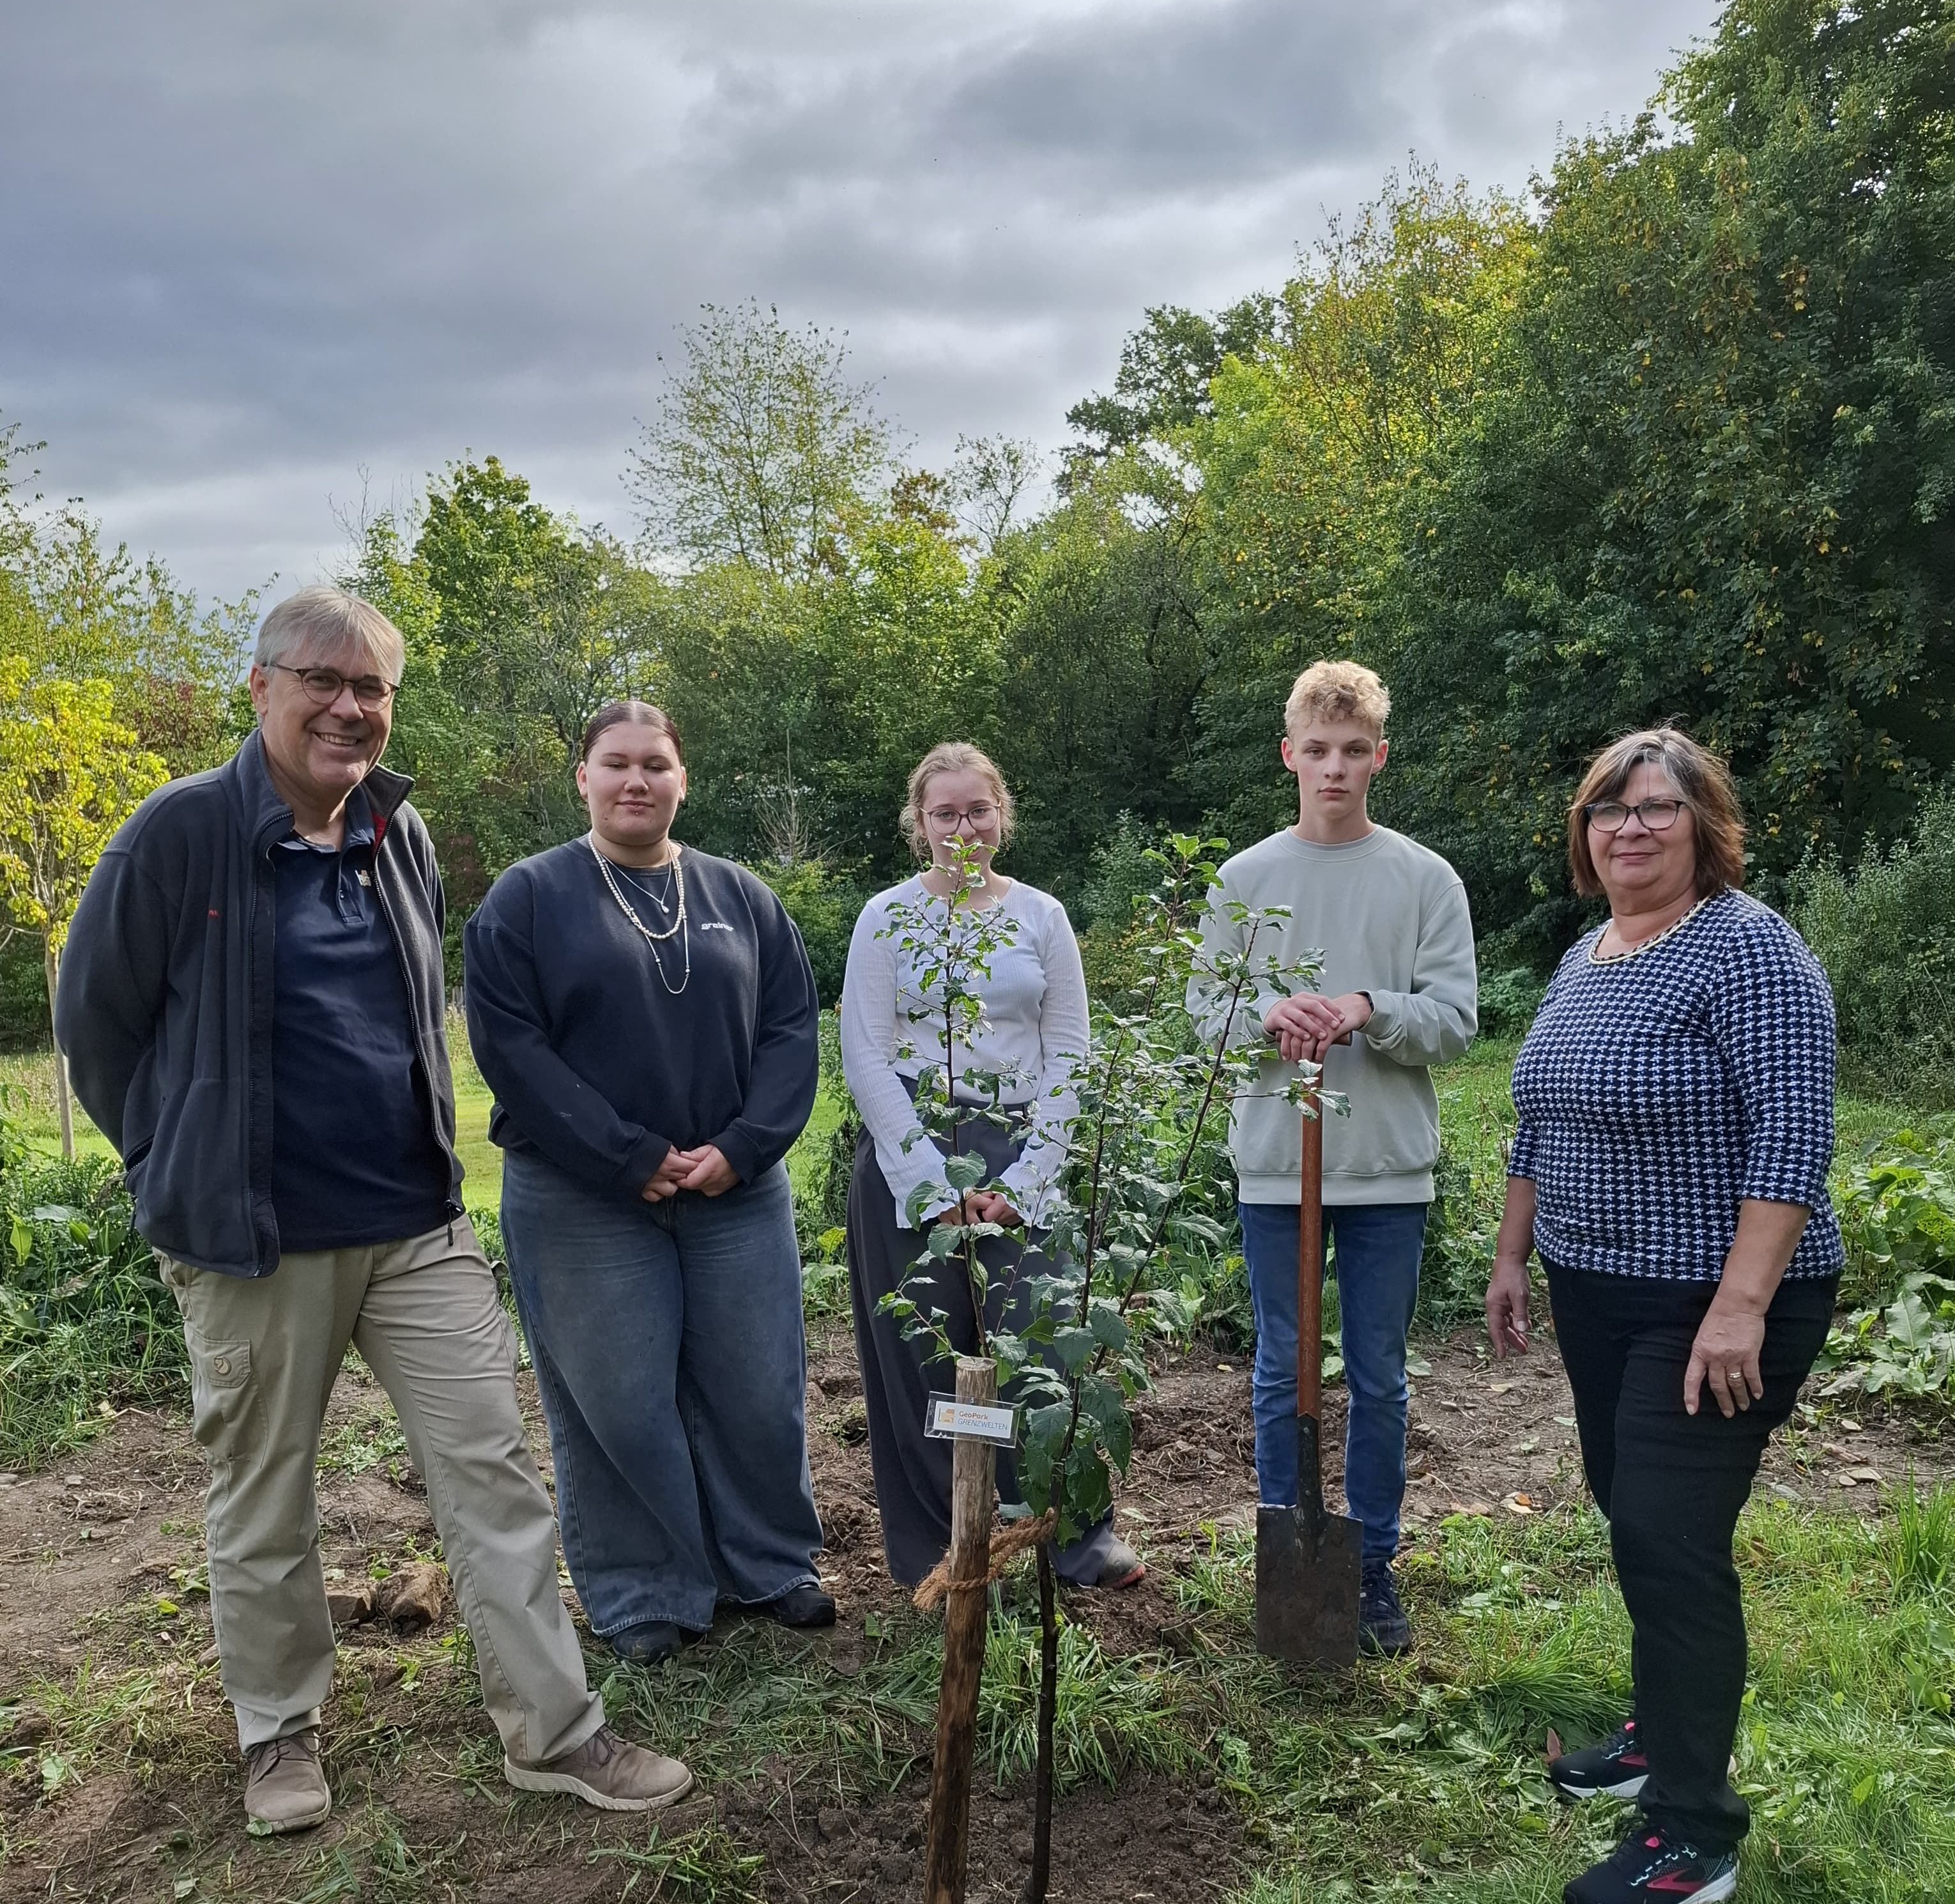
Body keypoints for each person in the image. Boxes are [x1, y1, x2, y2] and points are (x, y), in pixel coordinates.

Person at [56, 588, 692, 1836]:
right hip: (253, 1240)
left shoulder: (399, 831)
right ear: (261, 687)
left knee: (493, 1475)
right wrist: (170, 1160)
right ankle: (278, 1734)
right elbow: (96, 1026)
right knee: (265, 1496)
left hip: (414, 1224)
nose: (349, 708)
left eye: (372, 688)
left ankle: (556, 1732)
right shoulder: (179, 833)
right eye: (323, 681)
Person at [1486, 727, 1841, 1904]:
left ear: (1705, 825)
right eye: (1607, 810)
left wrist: (1741, 1305)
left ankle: (1693, 1831)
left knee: (1666, 1535)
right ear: (1584, 835)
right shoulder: (1587, 954)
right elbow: (1538, 1118)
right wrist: (1511, 1255)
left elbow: (1794, 1132)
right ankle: (1660, 1730)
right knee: (1627, 1505)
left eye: (1656, 808)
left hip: (1717, 1303)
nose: (1628, 828)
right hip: (1599, 1291)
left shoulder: (1748, 948)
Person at [464, 700, 828, 1666]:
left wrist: (745, 1146)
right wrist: (626, 1155)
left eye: (656, 765)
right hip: (584, 1195)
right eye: (616, 763)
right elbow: (512, 1050)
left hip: (733, 1189)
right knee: (617, 1403)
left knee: (757, 1388)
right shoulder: (527, 899)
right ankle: (643, 1589)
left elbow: (791, 1029)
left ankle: (769, 1563)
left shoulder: (742, 897)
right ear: (582, 777)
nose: (637, 781)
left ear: (682, 779)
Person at [1192, 661, 1477, 1655]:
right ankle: (1292, 1551)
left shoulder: (1425, 878)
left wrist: (1367, 1008)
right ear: (1289, 755)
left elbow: (1455, 1022)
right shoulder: (1244, 881)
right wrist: (1268, 1015)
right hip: (1279, 1165)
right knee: (1283, 1369)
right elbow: (1206, 1016)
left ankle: (1372, 1568)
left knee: (1380, 1376)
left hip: (1386, 1169)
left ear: (1379, 758)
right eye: (1317, 750)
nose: (1335, 768)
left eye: (1354, 751)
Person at [840, 741, 1140, 1590]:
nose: (963, 827)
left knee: (1039, 1350)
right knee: (925, 1360)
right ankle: (945, 1550)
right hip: (911, 1150)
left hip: (1021, 1145)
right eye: (945, 813)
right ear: (920, 822)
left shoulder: (1042, 916)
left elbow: (1070, 1052)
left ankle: (1070, 1536)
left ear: (1002, 815)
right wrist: (927, 1182)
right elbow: (865, 1053)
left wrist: (1028, 1179)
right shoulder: (885, 916)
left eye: (978, 810)